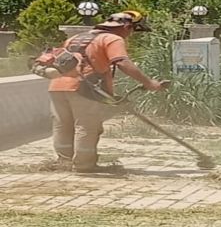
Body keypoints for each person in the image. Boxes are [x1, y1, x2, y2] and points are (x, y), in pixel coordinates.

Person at [48, 11, 166, 173]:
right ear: (126, 26)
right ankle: (84, 165)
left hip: (57, 86)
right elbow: (122, 62)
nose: (131, 34)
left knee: (63, 125)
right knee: (87, 126)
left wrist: (110, 96)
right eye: (133, 30)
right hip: (83, 88)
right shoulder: (113, 39)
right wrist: (149, 83)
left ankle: (64, 161)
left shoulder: (76, 37)